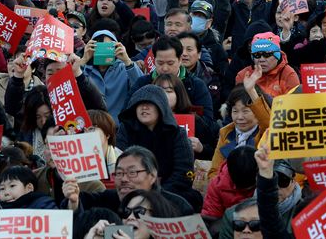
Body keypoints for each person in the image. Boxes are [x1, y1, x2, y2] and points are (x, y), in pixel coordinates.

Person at [116, 85, 201, 211]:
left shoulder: (178, 134)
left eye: (149, 104)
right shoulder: (125, 130)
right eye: (139, 104)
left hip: (170, 191)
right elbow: (119, 163)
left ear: (161, 107)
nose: (144, 107)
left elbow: (183, 173)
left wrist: (155, 194)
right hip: (132, 188)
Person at [62, 146, 193, 216]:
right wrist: (73, 201)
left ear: (152, 176)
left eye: (132, 172)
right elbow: (78, 209)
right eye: (119, 173)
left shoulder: (177, 207)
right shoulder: (107, 199)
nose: (124, 179)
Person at [128, 36, 214, 122]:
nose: (165, 68)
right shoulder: (142, 83)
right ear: (154, 60)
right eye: (160, 63)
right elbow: (127, 116)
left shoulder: (196, 85)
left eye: (170, 63)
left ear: (180, 60)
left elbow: (208, 123)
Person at [210, 70, 271, 178]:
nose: (240, 117)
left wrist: (251, 91)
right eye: (235, 111)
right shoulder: (226, 133)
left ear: (256, 111)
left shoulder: (264, 133)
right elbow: (214, 172)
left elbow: (268, 123)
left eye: (246, 111)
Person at [235, 33, 299, 97]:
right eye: (257, 55)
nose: (261, 59)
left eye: (267, 55)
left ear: (277, 56)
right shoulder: (243, 76)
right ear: (252, 57)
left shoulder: (288, 75)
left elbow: (293, 104)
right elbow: (239, 105)